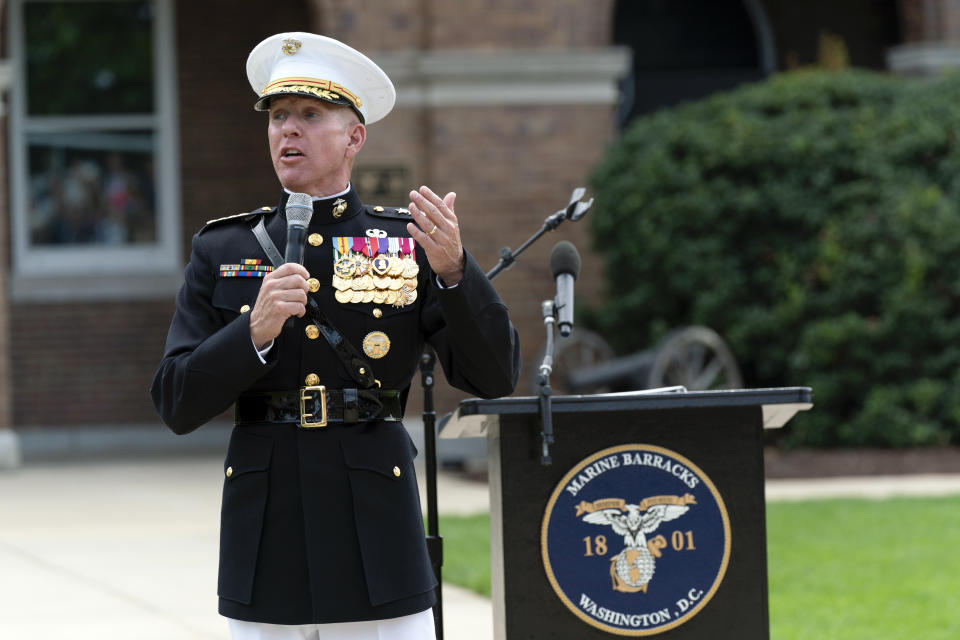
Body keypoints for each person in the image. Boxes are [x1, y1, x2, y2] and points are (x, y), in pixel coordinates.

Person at [151, 32, 521, 640]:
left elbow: (493, 377)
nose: (286, 131)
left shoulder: (406, 244)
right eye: (277, 117)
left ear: (355, 137)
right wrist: (254, 331)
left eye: (309, 115)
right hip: (267, 532)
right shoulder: (223, 249)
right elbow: (175, 401)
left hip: (375, 530)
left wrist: (456, 272)